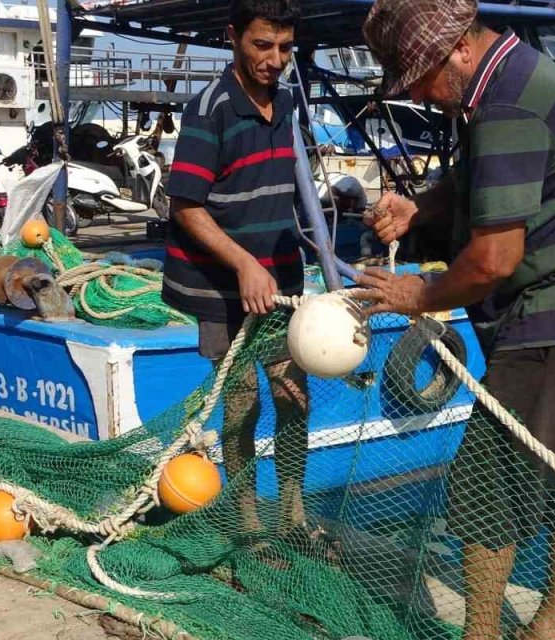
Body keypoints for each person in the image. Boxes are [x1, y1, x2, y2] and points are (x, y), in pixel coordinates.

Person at [355, 1, 555, 638]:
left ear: (456, 48)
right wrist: (419, 212)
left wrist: (415, 295)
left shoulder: (506, 103)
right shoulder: (503, 81)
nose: (421, 95)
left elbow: (493, 259)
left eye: (418, 77)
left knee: (483, 492)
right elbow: (479, 181)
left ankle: (482, 634)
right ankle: (552, 625)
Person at [161, 0, 310, 539]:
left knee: (295, 397)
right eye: (262, 45)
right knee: (241, 401)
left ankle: (294, 517)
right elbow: (186, 206)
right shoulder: (210, 108)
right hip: (221, 286)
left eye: (285, 48)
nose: (275, 60)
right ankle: (248, 525)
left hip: (281, 278)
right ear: (233, 38)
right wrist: (245, 263)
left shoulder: (289, 98)